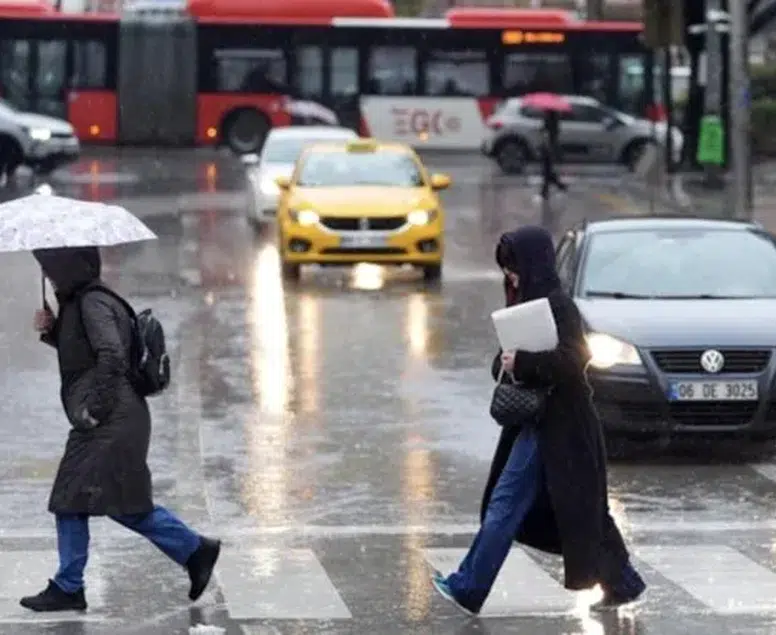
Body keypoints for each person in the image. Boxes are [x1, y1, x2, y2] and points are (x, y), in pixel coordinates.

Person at [431, 226, 645, 615]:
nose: (510, 277)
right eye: (506, 270)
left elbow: (574, 360)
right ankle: (623, 582)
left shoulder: (560, 306)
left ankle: (469, 586)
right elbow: (502, 361)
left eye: (514, 268)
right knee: (579, 510)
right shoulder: (526, 305)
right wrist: (509, 361)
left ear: (531, 264)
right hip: (536, 423)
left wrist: (524, 362)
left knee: (512, 505)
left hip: (562, 427)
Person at [20, 246, 221, 613]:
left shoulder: (92, 302)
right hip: (115, 419)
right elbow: (86, 354)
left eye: (51, 268)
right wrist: (53, 331)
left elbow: (112, 355)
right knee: (118, 503)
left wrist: (93, 409)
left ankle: (69, 586)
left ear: (69, 266)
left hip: (110, 419)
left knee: (72, 500)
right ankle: (194, 550)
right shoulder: (84, 301)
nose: (48, 276)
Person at [539, 111, 567, 202]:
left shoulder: (550, 118)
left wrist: (543, 130)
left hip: (548, 146)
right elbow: (553, 132)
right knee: (547, 168)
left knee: (547, 168)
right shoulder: (553, 119)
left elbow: (547, 132)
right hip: (550, 146)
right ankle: (557, 185)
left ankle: (546, 190)